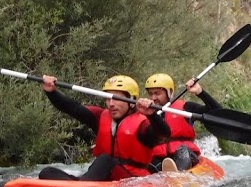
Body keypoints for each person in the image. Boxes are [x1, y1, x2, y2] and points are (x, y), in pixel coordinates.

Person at [38, 74, 170, 181]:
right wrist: (52, 93)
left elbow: (163, 134)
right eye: (108, 99)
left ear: (131, 101)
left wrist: (153, 115)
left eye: (116, 98)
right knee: (47, 172)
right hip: (99, 181)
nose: (111, 104)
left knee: (105, 160)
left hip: (132, 182)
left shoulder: (143, 123)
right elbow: (74, 108)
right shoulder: (100, 116)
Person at [143, 73, 222, 171]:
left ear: (170, 92)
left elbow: (217, 113)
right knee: (148, 160)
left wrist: (200, 92)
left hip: (186, 158)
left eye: (157, 93)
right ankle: (167, 175)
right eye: (150, 94)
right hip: (160, 160)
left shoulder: (185, 108)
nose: (153, 98)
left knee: (183, 151)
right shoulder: (145, 113)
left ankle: (177, 175)